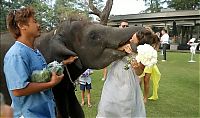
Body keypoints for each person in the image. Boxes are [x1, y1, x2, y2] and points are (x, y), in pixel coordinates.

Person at [4, 7, 77, 118]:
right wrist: (51, 84)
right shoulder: (16, 54)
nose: (38, 25)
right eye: (34, 21)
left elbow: (43, 73)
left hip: (43, 113)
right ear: (22, 25)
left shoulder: (34, 51)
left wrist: (63, 63)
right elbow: (18, 90)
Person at [97, 28, 160, 118]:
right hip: (114, 77)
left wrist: (137, 67)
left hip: (128, 81)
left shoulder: (143, 53)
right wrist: (121, 49)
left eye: (133, 40)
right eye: (131, 37)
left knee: (125, 107)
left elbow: (139, 72)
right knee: (107, 104)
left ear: (139, 44)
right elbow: (107, 53)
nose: (130, 40)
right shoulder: (123, 41)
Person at [139, 35, 161, 104]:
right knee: (139, 80)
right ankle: (139, 96)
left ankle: (145, 97)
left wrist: (154, 52)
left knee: (146, 80)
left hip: (149, 62)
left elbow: (158, 43)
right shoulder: (141, 38)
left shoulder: (153, 38)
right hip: (141, 60)